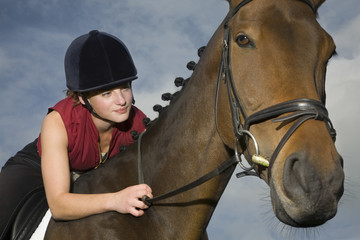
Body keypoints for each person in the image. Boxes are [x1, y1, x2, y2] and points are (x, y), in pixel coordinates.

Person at [0, 30, 153, 239]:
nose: (121, 100)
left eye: (125, 87)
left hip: (90, 174)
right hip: (34, 169)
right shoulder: (57, 122)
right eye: (107, 93)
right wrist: (115, 200)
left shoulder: (138, 125)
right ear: (82, 98)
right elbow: (59, 206)